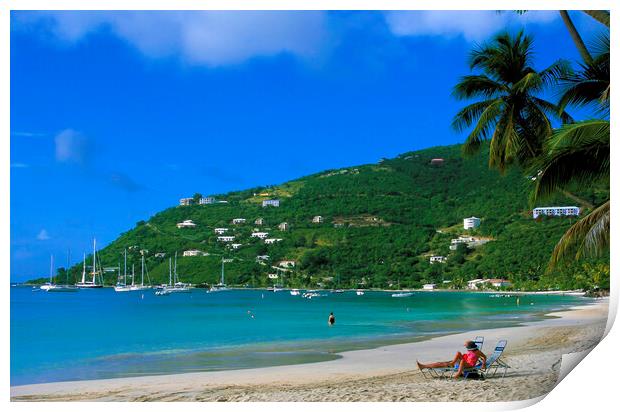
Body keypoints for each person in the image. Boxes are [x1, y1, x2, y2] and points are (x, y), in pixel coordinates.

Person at [416, 340, 486, 379]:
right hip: (464, 363)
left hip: (469, 365)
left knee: (461, 361)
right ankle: (423, 366)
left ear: (469, 346)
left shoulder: (477, 351)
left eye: (465, 344)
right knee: (441, 363)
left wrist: (483, 364)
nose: (464, 345)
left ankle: (458, 374)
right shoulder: (470, 350)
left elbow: (484, 357)